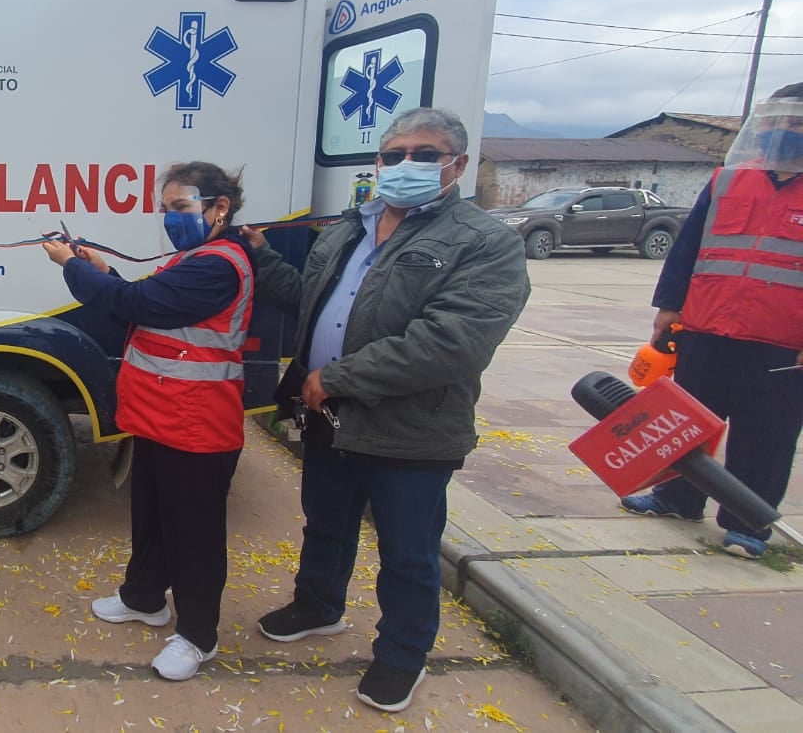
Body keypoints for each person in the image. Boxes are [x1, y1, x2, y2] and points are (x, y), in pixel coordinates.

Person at [243, 107, 529, 712]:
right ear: (377, 162)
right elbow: (309, 300)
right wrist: (261, 255)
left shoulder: (485, 243)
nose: (406, 165)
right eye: (394, 155)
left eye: (424, 155)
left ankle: (402, 655)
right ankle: (318, 606)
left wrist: (338, 377)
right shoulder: (350, 228)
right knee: (326, 524)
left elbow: (452, 341)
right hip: (330, 418)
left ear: (457, 164)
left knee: (407, 551)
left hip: (410, 429)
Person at [43, 161, 254, 682]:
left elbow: (134, 302)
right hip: (162, 417)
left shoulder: (218, 264)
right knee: (152, 516)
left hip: (199, 426)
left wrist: (74, 268)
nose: (170, 218)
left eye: (180, 207)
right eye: (165, 209)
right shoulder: (191, 260)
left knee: (194, 536)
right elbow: (143, 310)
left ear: (219, 208)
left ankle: (199, 635)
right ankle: (144, 598)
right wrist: (101, 270)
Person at [622, 83, 803, 560]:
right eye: (780, 120)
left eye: (798, 123)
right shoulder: (729, 179)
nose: (786, 130)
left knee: (765, 438)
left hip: (781, 344)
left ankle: (747, 523)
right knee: (688, 423)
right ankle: (677, 498)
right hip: (706, 327)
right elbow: (687, 248)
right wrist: (669, 306)